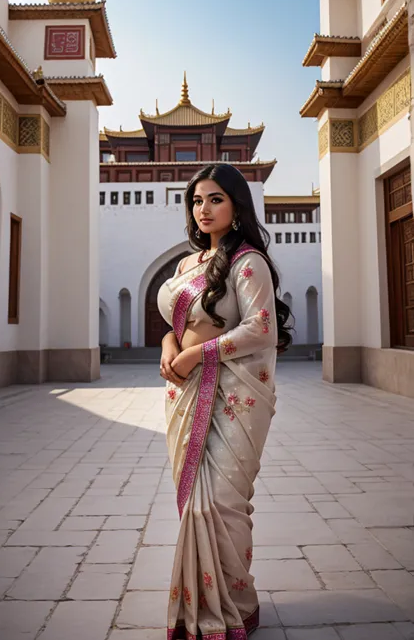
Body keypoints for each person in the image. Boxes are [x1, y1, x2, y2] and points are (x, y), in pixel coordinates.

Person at [157, 163, 292, 639]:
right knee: (193, 500)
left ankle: (235, 601)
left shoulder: (247, 261)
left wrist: (197, 352)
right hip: (185, 391)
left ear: (236, 205)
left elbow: (261, 328)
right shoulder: (184, 267)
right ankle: (199, 604)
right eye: (196, 200)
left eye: (215, 199)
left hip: (235, 395)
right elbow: (175, 325)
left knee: (220, 501)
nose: (203, 209)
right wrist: (172, 348)